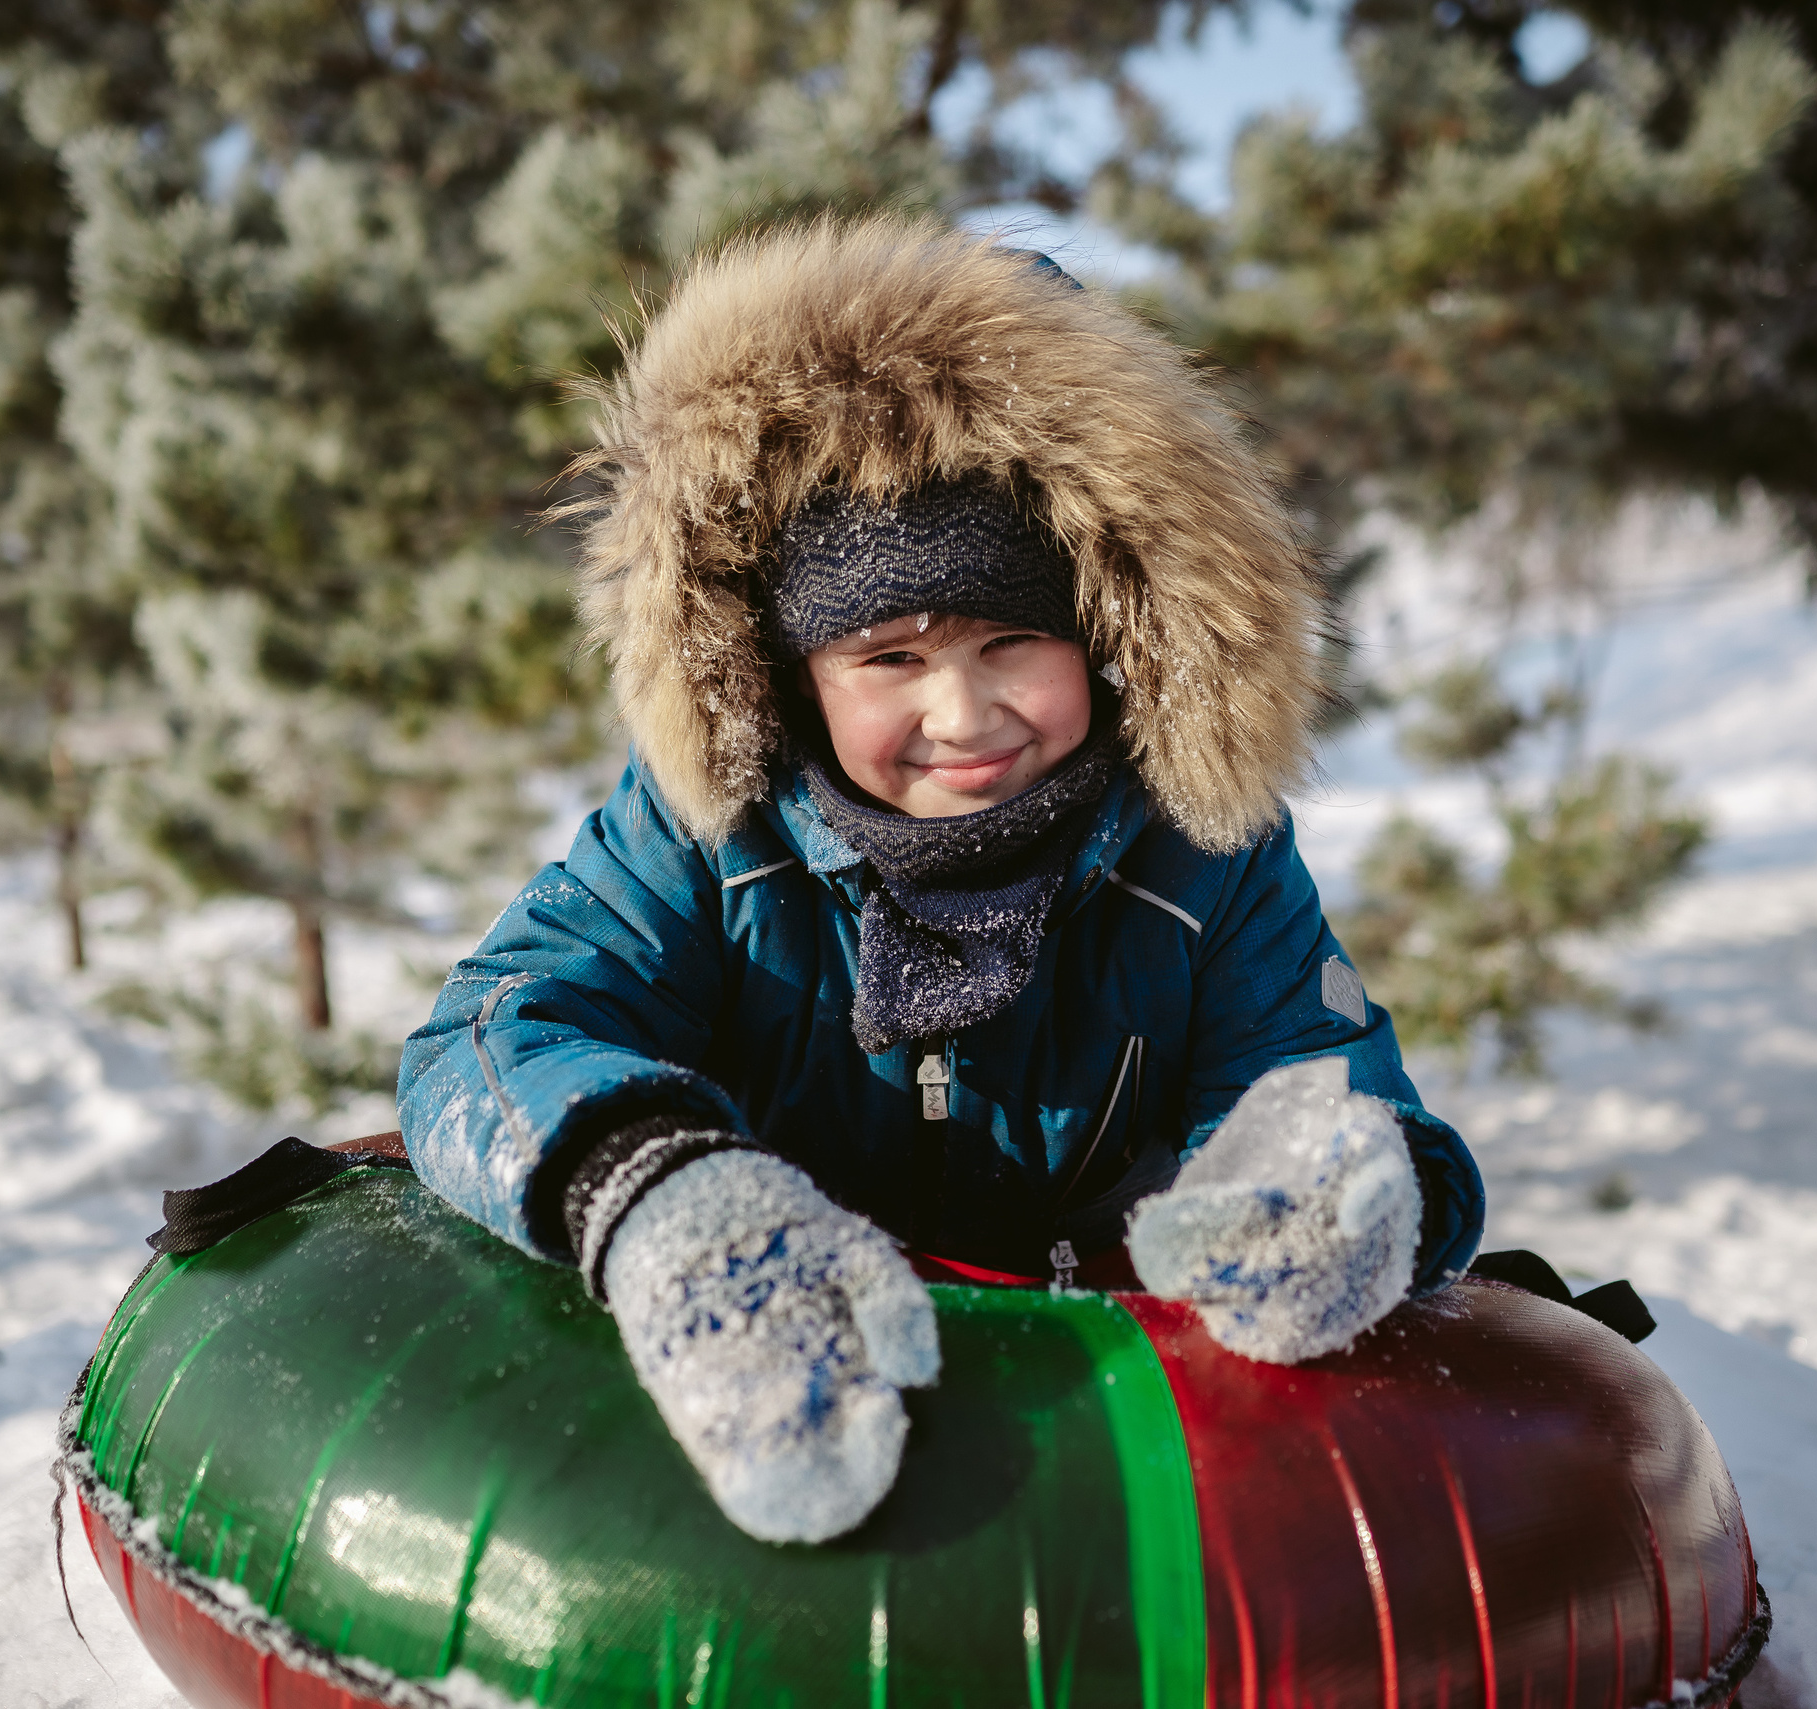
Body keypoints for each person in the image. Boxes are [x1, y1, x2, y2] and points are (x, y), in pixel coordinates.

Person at [399, 218, 1484, 1546]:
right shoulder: (710, 844)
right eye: (889, 658)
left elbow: (1326, 1073)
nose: (964, 714)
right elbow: (495, 1031)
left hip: (1099, 1435)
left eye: (1013, 639)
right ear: (794, 674)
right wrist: (665, 1195)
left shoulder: (1206, 857)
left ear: (1107, 636)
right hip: (784, 1394)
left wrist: (1342, 1190)